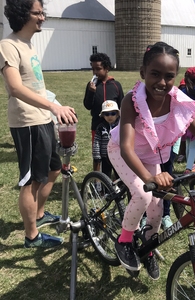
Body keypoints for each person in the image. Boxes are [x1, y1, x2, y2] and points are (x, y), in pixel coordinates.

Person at [107, 41, 195, 280]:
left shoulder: (177, 99)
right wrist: (149, 177)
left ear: (175, 77)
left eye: (169, 76)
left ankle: (148, 247)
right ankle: (124, 240)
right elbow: (127, 147)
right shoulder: (132, 100)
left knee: (158, 206)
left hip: (150, 155)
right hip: (122, 151)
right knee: (143, 194)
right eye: (155, 74)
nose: (161, 82)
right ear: (143, 73)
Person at [0, 0, 78, 248]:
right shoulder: (8, 45)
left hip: (43, 119)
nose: (43, 17)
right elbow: (15, 88)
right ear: (23, 14)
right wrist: (53, 107)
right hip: (28, 123)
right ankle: (31, 236)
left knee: (53, 170)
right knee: (31, 180)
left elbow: (35, 86)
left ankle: (40, 213)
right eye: (38, 13)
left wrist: (55, 105)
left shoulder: (28, 45)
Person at [83, 52, 124, 172]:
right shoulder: (92, 85)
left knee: (115, 152)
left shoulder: (116, 85)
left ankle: (118, 177)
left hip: (114, 127)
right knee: (97, 154)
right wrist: (91, 92)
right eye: (93, 69)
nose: (95, 72)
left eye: (98, 69)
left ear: (107, 69)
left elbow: (121, 105)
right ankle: (97, 181)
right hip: (97, 126)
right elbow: (87, 105)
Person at [92, 100, 120, 179]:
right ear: (103, 115)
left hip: (118, 155)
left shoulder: (121, 126)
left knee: (120, 175)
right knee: (105, 175)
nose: (110, 116)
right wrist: (97, 155)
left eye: (113, 113)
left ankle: (119, 189)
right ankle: (106, 190)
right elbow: (96, 141)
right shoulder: (101, 127)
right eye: (107, 114)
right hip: (105, 156)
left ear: (117, 114)